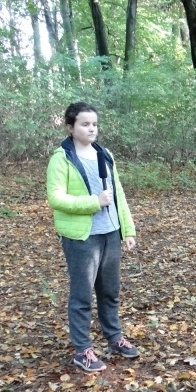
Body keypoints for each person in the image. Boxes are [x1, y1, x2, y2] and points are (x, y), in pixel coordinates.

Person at [46, 102, 140, 373]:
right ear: (70, 127)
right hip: (82, 237)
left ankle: (114, 338)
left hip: (110, 233)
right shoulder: (61, 158)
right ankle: (82, 350)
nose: (91, 129)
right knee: (82, 295)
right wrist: (93, 202)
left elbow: (117, 193)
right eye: (85, 124)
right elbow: (56, 198)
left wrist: (127, 228)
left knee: (110, 292)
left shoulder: (104, 154)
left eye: (94, 124)